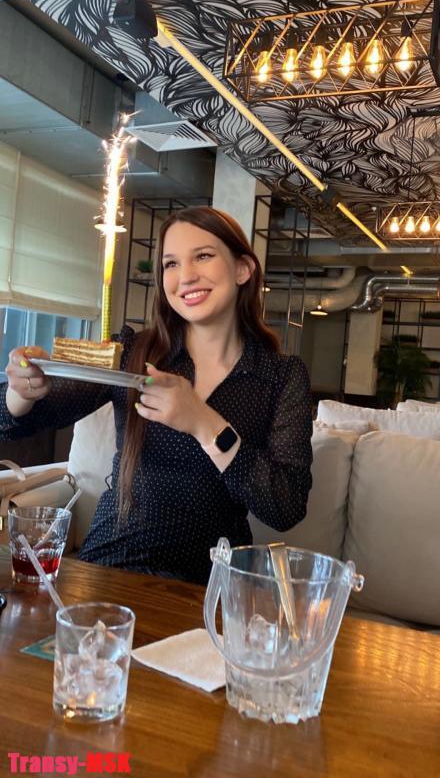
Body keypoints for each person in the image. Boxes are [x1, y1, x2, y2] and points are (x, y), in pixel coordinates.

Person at [0, 206, 313, 584]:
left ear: (243, 269)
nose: (185, 276)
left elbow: (285, 506)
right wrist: (23, 389)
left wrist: (204, 423)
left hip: (207, 585)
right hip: (111, 566)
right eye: (170, 264)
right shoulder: (133, 355)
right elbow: (15, 419)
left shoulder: (280, 376)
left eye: (203, 256)